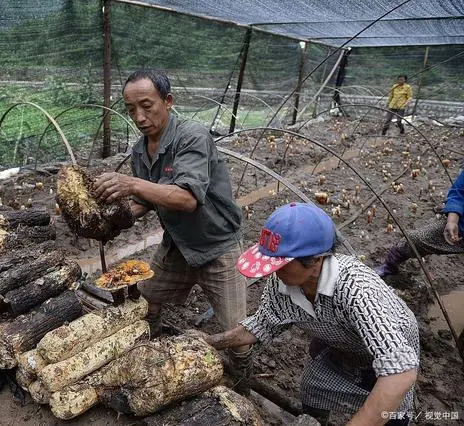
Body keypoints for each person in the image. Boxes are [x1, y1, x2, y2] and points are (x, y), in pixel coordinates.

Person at [188, 202, 419, 426]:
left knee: (390, 412)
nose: (273, 271)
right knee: (312, 388)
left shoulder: (357, 289)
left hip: (385, 352)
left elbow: (400, 373)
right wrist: (208, 343)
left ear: (316, 260)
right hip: (340, 342)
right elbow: (262, 324)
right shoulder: (282, 284)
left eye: (280, 263)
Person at [92, 68, 250, 375]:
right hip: (177, 245)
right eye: (131, 109)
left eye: (146, 106)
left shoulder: (192, 136)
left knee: (238, 335)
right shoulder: (141, 149)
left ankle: (241, 384)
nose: (139, 117)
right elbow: (146, 199)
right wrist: (112, 219)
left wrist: (131, 183)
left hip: (217, 247)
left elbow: (186, 199)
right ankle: (147, 359)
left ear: (168, 101)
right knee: (146, 301)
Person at [376, 169, 464, 277]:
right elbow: (458, 192)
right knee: (414, 240)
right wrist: (452, 221)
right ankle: (389, 266)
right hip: (460, 229)